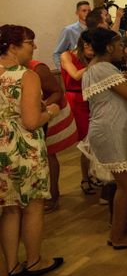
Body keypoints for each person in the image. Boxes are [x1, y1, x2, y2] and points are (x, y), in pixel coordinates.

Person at [0, 25, 64, 276]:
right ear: (12, 47)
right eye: (30, 42)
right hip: (23, 150)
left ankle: (12, 265)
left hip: (2, 149)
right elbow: (30, 120)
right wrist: (52, 110)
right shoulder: (25, 76)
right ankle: (35, 260)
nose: (34, 47)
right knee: (34, 205)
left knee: (10, 208)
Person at [82, 28, 127, 249]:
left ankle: (119, 228)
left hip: (111, 128)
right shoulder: (102, 68)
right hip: (110, 131)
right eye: (120, 45)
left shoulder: (98, 68)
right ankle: (118, 236)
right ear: (109, 47)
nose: (123, 49)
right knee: (126, 184)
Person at [28, 47, 78, 213]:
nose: (34, 47)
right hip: (24, 119)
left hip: (41, 115)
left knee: (47, 153)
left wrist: (42, 107)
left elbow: (57, 91)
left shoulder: (37, 68)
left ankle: (53, 194)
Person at [60, 30, 95, 195]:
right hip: (76, 99)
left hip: (92, 98)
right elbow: (74, 75)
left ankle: (95, 173)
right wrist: (95, 63)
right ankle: (85, 178)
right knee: (86, 140)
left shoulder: (92, 58)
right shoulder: (67, 56)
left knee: (95, 138)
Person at [52, 0, 90, 68]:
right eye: (84, 11)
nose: (87, 13)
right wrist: (63, 71)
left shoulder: (93, 29)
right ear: (77, 13)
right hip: (75, 70)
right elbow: (57, 53)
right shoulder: (69, 30)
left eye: (89, 11)